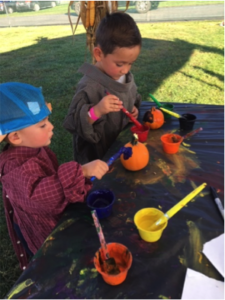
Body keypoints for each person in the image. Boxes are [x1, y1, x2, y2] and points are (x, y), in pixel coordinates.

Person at [0, 82, 109, 270]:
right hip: (42, 228)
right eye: (43, 125)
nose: (51, 127)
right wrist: (80, 172)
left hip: (53, 216)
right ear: (16, 137)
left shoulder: (31, 147)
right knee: (54, 264)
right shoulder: (14, 168)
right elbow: (40, 198)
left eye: (48, 120)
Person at [63, 12, 142, 164]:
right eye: (120, 64)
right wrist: (96, 111)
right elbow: (73, 123)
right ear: (99, 54)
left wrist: (133, 110)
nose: (125, 70)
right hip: (96, 157)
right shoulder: (89, 86)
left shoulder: (124, 75)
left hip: (120, 146)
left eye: (130, 63)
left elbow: (132, 96)